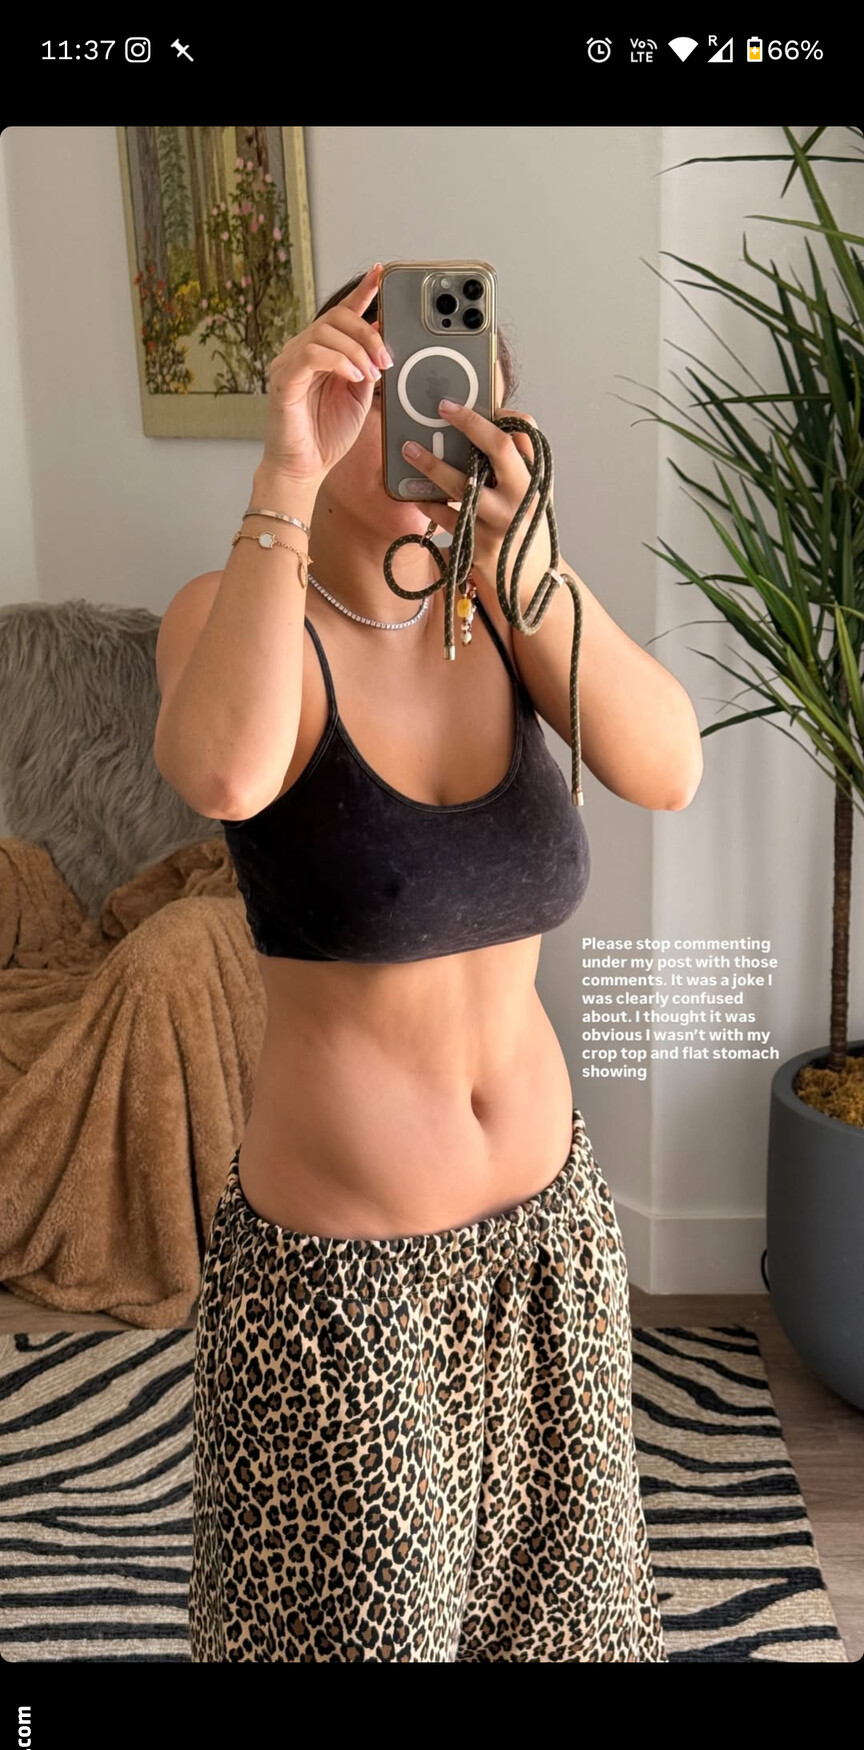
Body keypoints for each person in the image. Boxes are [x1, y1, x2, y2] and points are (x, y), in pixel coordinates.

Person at [155, 261, 703, 1662]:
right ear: (328, 393)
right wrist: (286, 469)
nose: (425, 424)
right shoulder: (233, 612)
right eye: (384, 385)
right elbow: (222, 773)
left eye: (459, 392)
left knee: (565, 1637)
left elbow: (668, 768)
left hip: (551, 1253)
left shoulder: (508, 620)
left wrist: (533, 567)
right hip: (343, 1288)